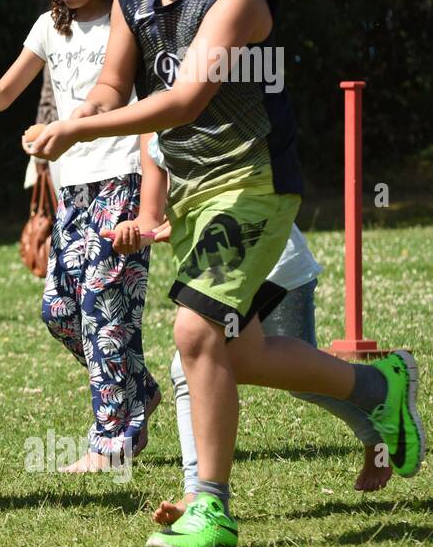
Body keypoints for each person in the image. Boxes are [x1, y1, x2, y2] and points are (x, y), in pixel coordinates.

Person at [30, 0, 423, 547]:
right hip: (192, 193)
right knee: (235, 353)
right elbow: (117, 84)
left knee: (192, 334)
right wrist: (78, 113)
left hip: (253, 187)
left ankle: (209, 509)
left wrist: (79, 126)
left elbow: (183, 101)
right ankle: (378, 386)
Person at [0, 0, 161, 468]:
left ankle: (112, 443)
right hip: (73, 188)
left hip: (124, 177)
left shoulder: (128, 17)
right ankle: (140, 390)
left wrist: (79, 132)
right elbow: (4, 91)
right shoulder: (48, 26)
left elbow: (132, 103)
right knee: (61, 312)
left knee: (102, 311)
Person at [108, 137, 390, 525]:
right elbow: (151, 216)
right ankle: (380, 414)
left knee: (190, 367)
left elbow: (233, 192)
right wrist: (135, 231)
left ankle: (199, 495)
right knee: (299, 382)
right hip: (222, 271)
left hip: (273, 263)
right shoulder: (150, 130)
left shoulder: (213, 112)